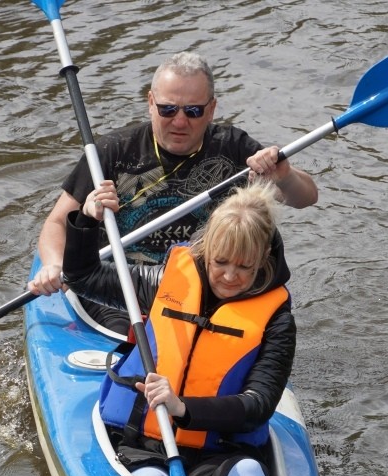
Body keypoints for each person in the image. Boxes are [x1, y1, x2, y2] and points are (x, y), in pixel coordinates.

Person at [28, 51, 317, 334]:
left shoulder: (234, 148)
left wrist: (285, 177)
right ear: (151, 103)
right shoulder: (112, 151)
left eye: (193, 111)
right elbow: (56, 223)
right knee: (129, 337)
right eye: (168, 109)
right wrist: (54, 265)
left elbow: (305, 198)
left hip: (206, 284)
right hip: (122, 284)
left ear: (211, 109)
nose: (180, 122)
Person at [62, 179, 295, 476]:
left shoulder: (277, 319)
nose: (230, 276)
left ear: (264, 257)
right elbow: (82, 277)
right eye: (221, 262)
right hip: (146, 445)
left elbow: (258, 404)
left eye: (244, 267)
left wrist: (183, 408)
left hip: (224, 452)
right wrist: (87, 220)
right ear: (207, 250)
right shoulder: (168, 282)